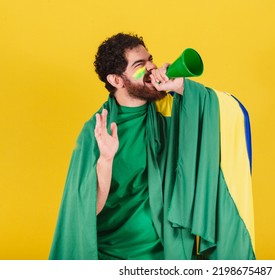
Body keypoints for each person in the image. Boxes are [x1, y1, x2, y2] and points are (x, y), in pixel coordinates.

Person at [49, 33, 255, 260]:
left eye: (150, 59)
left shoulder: (170, 111)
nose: (152, 67)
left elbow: (226, 113)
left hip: (171, 253)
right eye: (140, 64)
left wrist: (181, 87)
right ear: (117, 80)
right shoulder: (96, 131)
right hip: (114, 256)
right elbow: (85, 210)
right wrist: (105, 160)